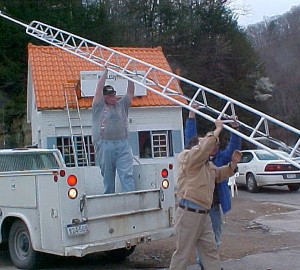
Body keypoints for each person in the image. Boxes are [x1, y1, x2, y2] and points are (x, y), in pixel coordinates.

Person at [169, 119, 242, 270]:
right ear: (195, 147)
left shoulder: (207, 165)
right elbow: (203, 148)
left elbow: (220, 174)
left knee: (210, 251)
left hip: (204, 214)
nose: (211, 145)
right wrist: (217, 129)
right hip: (189, 213)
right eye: (204, 143)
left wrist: (233, 164)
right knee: (183, 253)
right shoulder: (188, 158)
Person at [92, 67, 136, 194]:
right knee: (108, 178)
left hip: (123, 144)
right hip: (104, 145)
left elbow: (130, 93)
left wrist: (130, 77)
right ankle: (109, 200)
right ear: (104, 96)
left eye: (114, 94)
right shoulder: (98, 106)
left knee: (127, 175)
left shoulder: (122, 104)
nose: (113, 97)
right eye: (109, 95)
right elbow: (98, 89)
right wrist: (106, 72)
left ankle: (130, 199)